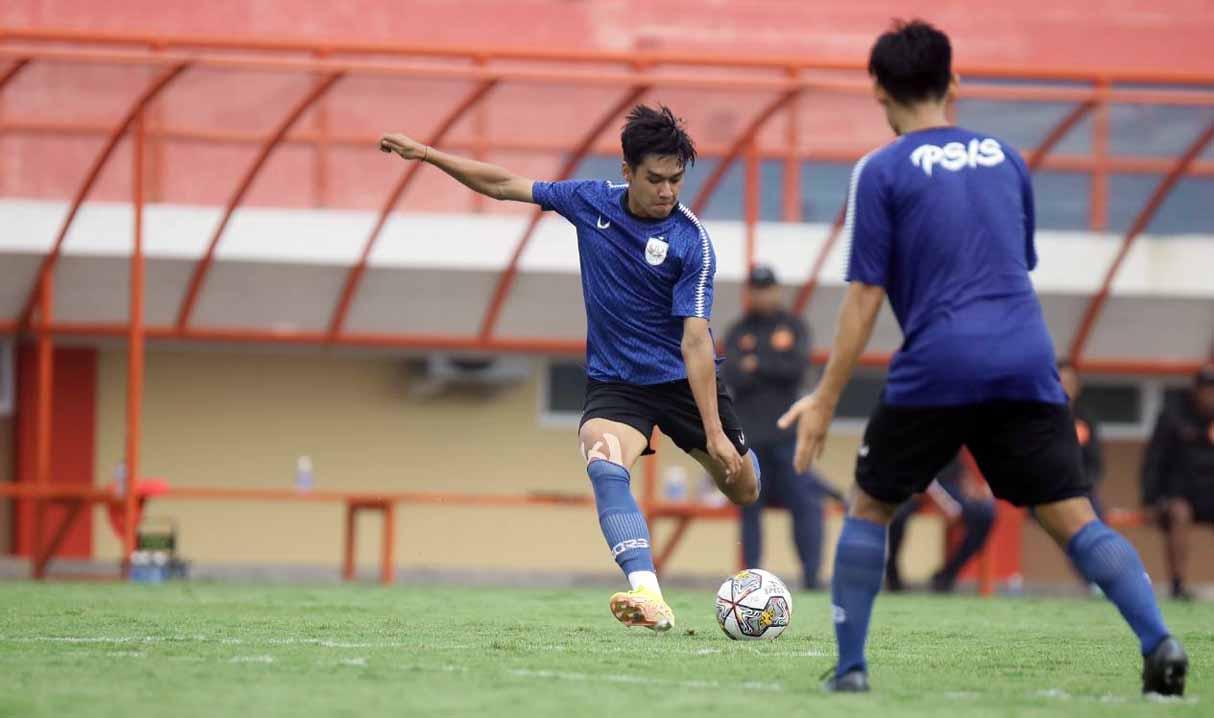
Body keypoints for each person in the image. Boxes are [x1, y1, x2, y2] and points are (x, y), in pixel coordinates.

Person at [778, 20, 1187, 695]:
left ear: (877, 89)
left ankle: (850, 670)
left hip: (938, 362)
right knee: (1073, 515)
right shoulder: (1007, 158)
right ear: (954, 82)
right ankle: (1159, 640)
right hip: (1026, 359)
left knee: (871, 506)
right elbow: (1012, 266)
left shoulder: (881, 169)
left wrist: (825, 399)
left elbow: (864, 299)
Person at [379, 105, 759, 633]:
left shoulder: (691, 243)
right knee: (604, 462)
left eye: (676, 180)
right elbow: (505, 184)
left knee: (745, 487)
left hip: (681, 382)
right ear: (627, 172)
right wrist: (427, 154)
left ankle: (726, 453)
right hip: (618, 383)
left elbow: (696, 340)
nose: (668, 191)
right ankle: (648, 593)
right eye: (655, 179)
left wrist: (715, 433)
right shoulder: (589, 202)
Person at [722, 265, 832, 589]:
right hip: (750, 440)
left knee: (807, 505)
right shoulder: (737, 329)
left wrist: (757, 362)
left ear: (777, 291)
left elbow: (796, 368)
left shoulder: (792, 326)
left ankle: (812, 578)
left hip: (788, 440)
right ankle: (751, 580)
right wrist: (768, 366)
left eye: (767, 289)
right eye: (755, 289)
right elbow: (731, 375)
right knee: (748, 507)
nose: (761, 295)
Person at [1141, 364, 1214, 601]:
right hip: (1180, 495)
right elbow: (1153, 459)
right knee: (1179, 513)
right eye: (1207, 389)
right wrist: (1149, 499)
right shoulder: (1173, 416)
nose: (1210, 395)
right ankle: (1178, 584)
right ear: (1196, 390)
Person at [884, 455, 995, 593]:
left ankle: (948, 574)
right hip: (913, 484)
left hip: (950, 485)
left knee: (985, 514)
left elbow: (959, 468)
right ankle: (892, 574)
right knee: (897, 515)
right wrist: (944, 502)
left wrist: (970, 488)